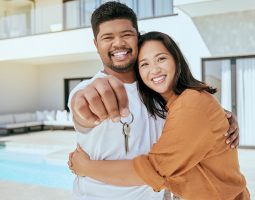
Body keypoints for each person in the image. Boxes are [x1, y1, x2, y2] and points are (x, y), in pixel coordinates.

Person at [68, 2, 240, 200]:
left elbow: (191, 115)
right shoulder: (86, 90)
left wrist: (220, 116)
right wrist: (83, 107)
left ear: (137, 37)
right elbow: (82, 108)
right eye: (107, 37)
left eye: (126, 34)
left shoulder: (156, 94)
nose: (118, 43)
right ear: (96, 44)